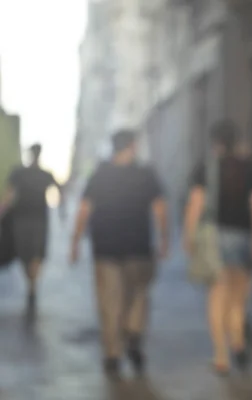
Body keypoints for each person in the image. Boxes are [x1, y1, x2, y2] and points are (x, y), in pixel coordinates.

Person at [70, 130, 169, 377]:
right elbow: (160, 209)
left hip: (105, 249)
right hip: (139, 248)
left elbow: (84, 209)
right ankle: (134, 333)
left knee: (109, 302)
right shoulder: (146, 174)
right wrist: (164, 238)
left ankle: (112, 353)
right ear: (132, 147)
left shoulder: (100, 175)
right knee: (137, 296)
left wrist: (75, 242)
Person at [183, 121, 252, 374]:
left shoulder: (205, 168)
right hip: (243, 235)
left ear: (215, 142)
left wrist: (189, 235)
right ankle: (239, 342)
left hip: (214, 238)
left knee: (217, 295)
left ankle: (221, 355)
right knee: (239, 295)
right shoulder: (251, 167)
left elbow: (196, 204)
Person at [0, 143, 64, 309]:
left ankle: (32, 284)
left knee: (26, 254)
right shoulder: (42, 174)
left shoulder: (20, 173)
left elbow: (9, 195)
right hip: (36, 219)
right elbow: (59, 190)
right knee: (34, 254)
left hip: (24, 219)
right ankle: (32, 285)